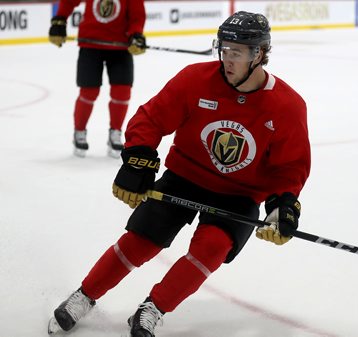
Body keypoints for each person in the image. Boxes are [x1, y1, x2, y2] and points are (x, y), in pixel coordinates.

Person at [47, 11, 311, 337]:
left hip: (240, 194)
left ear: (259, 54)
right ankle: (85, 295)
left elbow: (290, 166)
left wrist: (282, 205)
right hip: (186, 177)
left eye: (237, 53)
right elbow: (151, 118)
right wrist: (138, 160)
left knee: (212, 246)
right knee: (141, 240)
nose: (227, 59)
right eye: (224, 49)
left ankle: (152, 308)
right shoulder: (196, 79)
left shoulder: (287, 106)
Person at [48, 0, 147, 158]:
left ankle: (115, 132)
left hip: (120, 46)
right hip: (90, 45)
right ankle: (79, 131)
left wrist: (136, 33)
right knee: (88, 92)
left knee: (122, 92)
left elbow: (137, 14)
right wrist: (59, 19)